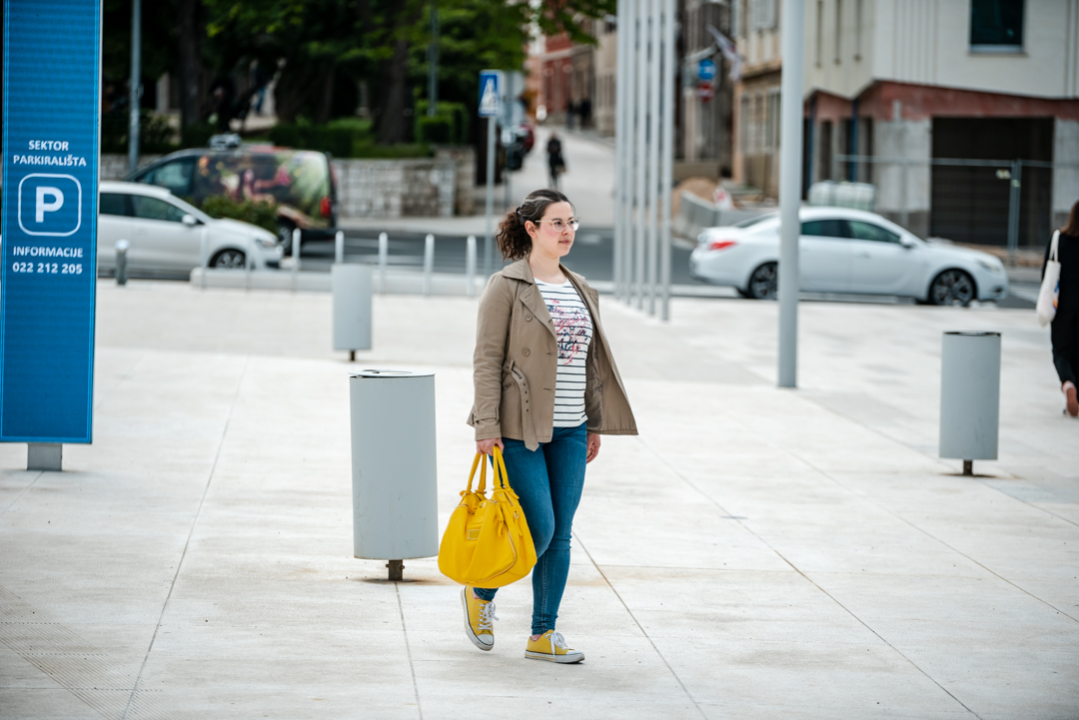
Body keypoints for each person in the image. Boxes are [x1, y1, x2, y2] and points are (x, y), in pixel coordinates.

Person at [462, 188, 637, 663]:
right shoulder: (507, 285)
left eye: (572, 222)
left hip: (571, 430)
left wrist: (594, 423)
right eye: (557, 223)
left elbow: (589, 364)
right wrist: (485, 425)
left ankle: (543, 633)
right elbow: (486, 359)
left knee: (561, 532)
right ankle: (481, 593)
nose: (567, 232)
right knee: (536, 528)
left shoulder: (581, 287)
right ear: (531, 229)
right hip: (519, 430)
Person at [1044, 199, 1079, 417]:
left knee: (1061, 351)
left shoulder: (1059, 240)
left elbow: (1046, 275)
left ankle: (1067, 384)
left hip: (1062, 308)